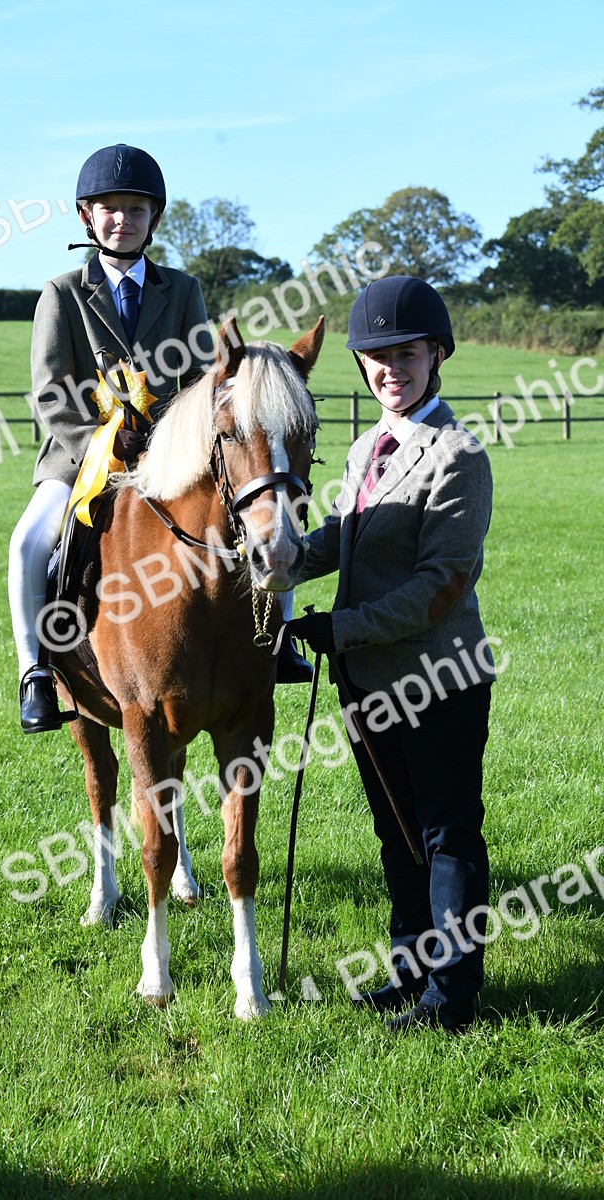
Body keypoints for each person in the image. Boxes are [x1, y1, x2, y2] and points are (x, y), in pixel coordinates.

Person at [288, 276, 495, 1033]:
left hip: (439, 678)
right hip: (369, 681)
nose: (390, 370)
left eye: (405, 355)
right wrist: (268, 556)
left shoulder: (458, 456)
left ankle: (453, 996)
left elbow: (438, 588)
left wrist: (341, 630)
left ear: (436, 355)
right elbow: (337, 538)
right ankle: (410, 971)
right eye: (376, 358)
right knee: (395, 834)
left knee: (445, 835)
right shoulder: (366, 448)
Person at [9, 143, 213, 733]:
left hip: (169, 456)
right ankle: (36, 674)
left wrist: (169, 441)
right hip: (79, 461)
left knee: (250, 515)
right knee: (26, 545)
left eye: (136, 209)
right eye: (110, 208)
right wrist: (102, 443)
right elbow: (50, 392)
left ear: (154, 218)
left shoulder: (183, 291)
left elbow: (199, 381)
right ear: (87, 217)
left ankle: (271, 644)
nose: (122, 219)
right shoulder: (63, 294)